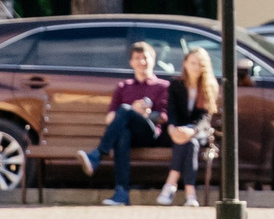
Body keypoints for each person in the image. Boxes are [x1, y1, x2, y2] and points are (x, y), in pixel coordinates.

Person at [80, 42, 169, 207]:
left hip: (149, 133)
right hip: (128, 135)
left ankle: (97, 155)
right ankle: (121, 194)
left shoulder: (162, 86)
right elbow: (110, 118)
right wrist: (130, 110)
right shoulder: (123, 86)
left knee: (126, 110)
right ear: (131, 62)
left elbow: (164, 117)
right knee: (123, 133)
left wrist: (145, 113)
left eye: (145, 58)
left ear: (153, 60)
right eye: (137, 58)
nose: (142, 62)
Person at [160, 46, 217, 207]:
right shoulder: (176, 84)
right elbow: (172, 110)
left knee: (190, 141)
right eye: (192, 63)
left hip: (199, 131)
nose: (196, 67)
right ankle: (190, 194)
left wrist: (192, 130)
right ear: (185, 63)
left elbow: (204, 116)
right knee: (186, 142)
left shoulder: (208, 86)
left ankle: (170, 185)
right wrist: (172, 128)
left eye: (200, 64)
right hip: (177, 130)